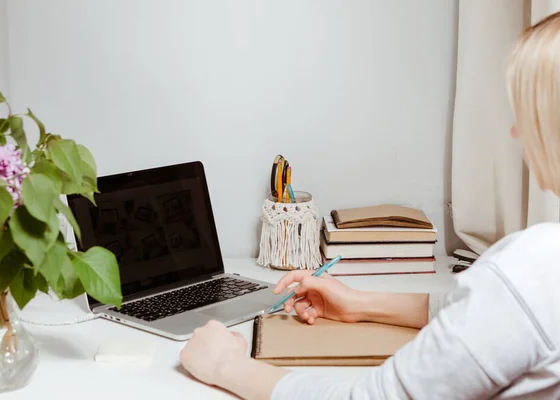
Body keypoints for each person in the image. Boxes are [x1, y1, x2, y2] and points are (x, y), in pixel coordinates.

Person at [179, 12, 560, 400]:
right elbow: (486, 315)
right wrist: (360, 305)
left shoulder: (539, 265)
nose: (516, 131)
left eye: (528, 112)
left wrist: (224, 366)